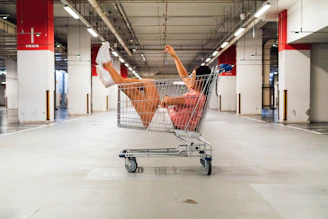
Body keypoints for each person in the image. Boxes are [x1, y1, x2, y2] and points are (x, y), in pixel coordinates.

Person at [96, 42, 211, 131]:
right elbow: (184, 76)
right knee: (148, 82)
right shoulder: (195, 90)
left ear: (200, 79)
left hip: (161, 122)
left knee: (133, 92)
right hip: (163, 116)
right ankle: (111, 79)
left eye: (193, 76)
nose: (190, 78)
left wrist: (167, 98)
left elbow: (169, 100)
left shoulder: (196, 97)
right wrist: (175, 56)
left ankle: (107, 64)